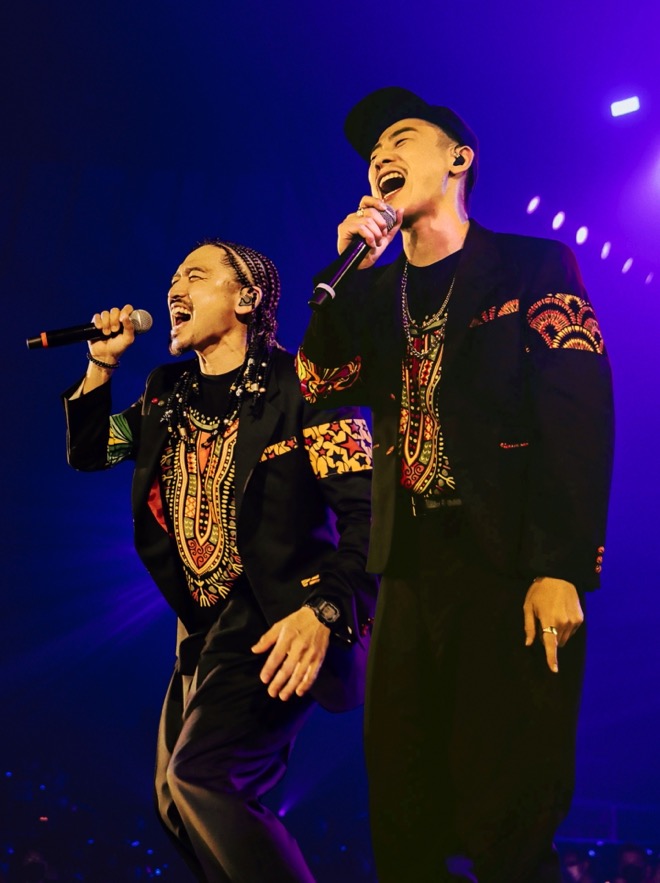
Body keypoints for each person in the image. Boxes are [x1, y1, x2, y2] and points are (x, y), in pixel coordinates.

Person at [296, 87, 614, 882]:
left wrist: (562, 565)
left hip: (506, 565)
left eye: (401, 138)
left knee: (508, 812)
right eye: (372, 153)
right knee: (402, 810)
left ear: (459, 158)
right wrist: (344, 278)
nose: (381, 156)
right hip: (406, 570)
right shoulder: (371, 291)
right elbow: (320, 384)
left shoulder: (533, 265)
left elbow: (577, 417)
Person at [62, 238, 378, 882]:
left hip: (279, 617)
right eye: (173, 278)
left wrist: (324, 610)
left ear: (247, 299)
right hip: (200, 630)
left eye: (196, 276)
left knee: (203, 775)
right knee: (175, 803)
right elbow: (93, 450)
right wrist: (100, 364)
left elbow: (369, 517)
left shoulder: (305, 382)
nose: (174, 289)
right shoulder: (165, 394)